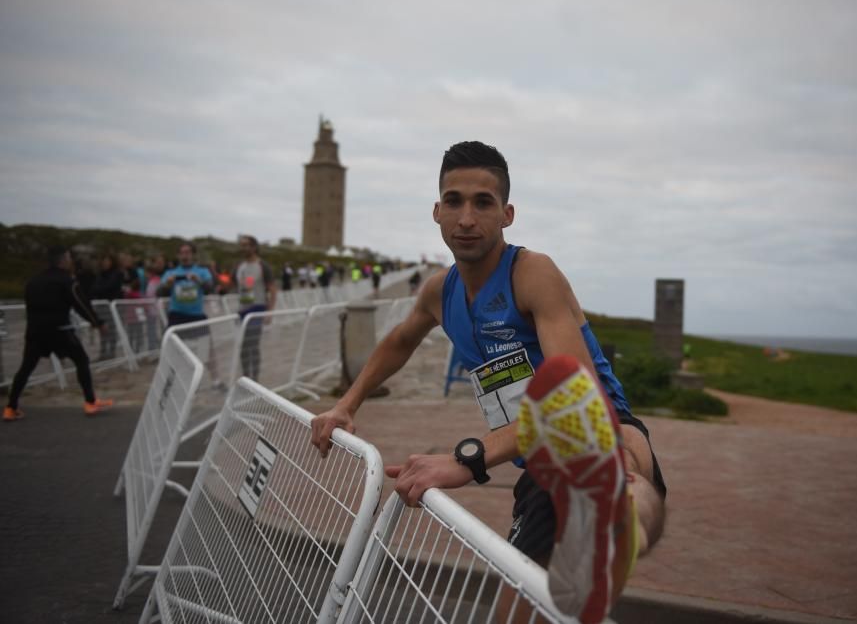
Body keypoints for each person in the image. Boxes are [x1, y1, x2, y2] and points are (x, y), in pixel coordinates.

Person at [310, 141, 666, 623]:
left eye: (483, 203)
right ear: (436, 211)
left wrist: (466, 458)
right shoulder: (441, 291)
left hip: (593, 434)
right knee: (513, 611)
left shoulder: (531, 273)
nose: (467, 218)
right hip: (537, 463)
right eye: (454, 201)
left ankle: (616, 526)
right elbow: (399, 340)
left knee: (619, 473)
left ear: (507, 214)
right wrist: (347, 404)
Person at [4, 246, 113, 421]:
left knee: (26, 367)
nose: (71, 261)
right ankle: (90, 402)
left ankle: (10, 407)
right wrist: (97, 323)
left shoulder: (32, 281)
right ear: (63, 260)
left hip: (35, 331)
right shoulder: (67, 281)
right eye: (69, 258)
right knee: (81, 360)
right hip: (59, 331)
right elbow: (81, 304)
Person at [158, 242, 222, 385]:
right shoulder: (171, 273)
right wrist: (167, 285)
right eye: (182, 252)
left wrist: (198, 281)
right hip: (177, 315)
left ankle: (216, 380)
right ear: (178, 255)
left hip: (196, 315)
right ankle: (169, 381)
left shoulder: (202, 272)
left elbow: (210, 288)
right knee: (171, 349)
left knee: (208, 349)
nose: (185, 255)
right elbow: (159, 292)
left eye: (188, 252)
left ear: (193, 255)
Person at [233, 235, 277, 381]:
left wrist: (269, 312)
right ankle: (246, 378)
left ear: (254, 247)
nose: (244, 248)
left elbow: (272, 290)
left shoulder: (262, 266)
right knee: (243, 347)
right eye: (242, 245)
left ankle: (254, 379)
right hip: (242, 311)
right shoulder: (240, 267)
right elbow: (234, 285)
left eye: (247, 245)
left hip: (257, 310)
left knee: (251, 344)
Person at [91, 251, 124, 361]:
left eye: (107, 261)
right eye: (104, 261)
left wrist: (99, 290)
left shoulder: (117, 274)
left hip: (112, 307)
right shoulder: (101, 274)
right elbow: (95, 288)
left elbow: (108, 287)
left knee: (112, 330)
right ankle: (103, 352)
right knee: (102, 330)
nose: (105, 263)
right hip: (101, 307)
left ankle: (111, 352)